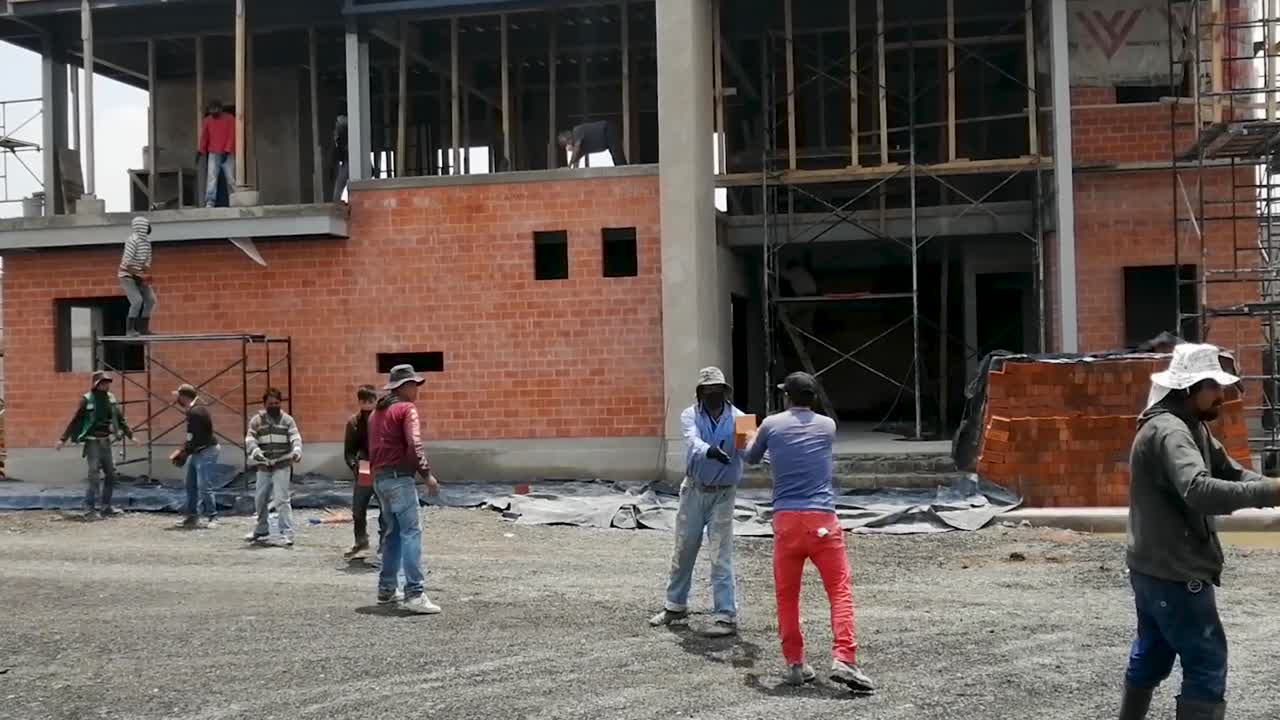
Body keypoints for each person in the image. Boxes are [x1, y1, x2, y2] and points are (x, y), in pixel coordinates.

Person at [1119, 343, 1280, 720]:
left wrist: (1270, 490)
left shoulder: (1191, 426)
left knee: (1153, 653)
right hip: (1175, 571)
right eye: (1214, 387)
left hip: (1152, 565)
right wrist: (1272, 491)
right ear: (1189, 388)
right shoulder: (1171, 432)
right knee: (1206, 663)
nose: (1222, 396)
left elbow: (1231, 473)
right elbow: (1200, 490)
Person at [742, 371, 874, 692]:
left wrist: (743, 429)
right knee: (838, 591)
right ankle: (844, 657)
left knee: (787, 597)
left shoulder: (771, 425)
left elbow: (751, 457)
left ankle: (795, 664)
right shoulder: (827, 426)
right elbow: (801, 451)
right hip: (822, 521)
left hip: (786, 521)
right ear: (813, 398)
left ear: (786, 396)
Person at [648, 367, 745, 637]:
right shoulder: (690, 414)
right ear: (700, 392)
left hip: (724, 493)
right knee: (684, 548)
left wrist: (768, 450)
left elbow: (751, 451)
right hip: (694, 489)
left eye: (717, 389)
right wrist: (710, 451)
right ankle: (675, 605)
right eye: (707, 390)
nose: (712, 394)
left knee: (720, 554)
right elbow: (692, 442)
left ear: (726, 391)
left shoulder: (741, 418)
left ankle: (725, 615)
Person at [367, 365, 441, 614]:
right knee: (411, 533)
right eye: (414, 385)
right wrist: (427, 475)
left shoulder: (375, 414)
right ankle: (415, 593)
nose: (417, 390)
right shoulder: (406, 409)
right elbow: (414, 443)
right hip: (400, 478)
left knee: (393, 535)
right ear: (405, 387)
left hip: (380, 479)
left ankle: (386, 589)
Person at [56, 370, 133, 518]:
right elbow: (76, 420)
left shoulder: (111, 399)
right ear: (96, 384)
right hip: (93, 443)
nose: (106, 385)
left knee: (111, 474)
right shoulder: (87, 399)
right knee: (94, 476)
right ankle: (89, 509)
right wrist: (63, 439)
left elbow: (120, 419)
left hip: (106, 442)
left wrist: (130, 435)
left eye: (107, 383)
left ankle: (106, 506)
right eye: (103, 383)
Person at [243, 388, 303, 547]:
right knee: (260, 498)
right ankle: (261, 529)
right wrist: (255, 452)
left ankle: (286, 533)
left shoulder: (287, 420)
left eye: (277, 403)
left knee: (281, 499)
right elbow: (250, 438)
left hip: (282, 464)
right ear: (264, 404)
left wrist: (297, 451)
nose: (274, 406)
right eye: (270, 403)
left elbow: (295, 437)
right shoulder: (257, 420)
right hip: (263, 465)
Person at [344, 384, 385, 559]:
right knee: (359, 508)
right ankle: (361, 540)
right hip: (365, 467)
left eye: (371, 401)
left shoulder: (384, 419)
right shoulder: (354, 423)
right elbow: (349, 450)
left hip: (382, 466)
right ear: (359, 402)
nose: (368, 405)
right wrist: (354, 466)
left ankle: (385, 544)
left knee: (386, 508)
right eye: (365, 401)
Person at [173, 383, 220, 529]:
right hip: (199, 451)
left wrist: (184, 452)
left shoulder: (196, 412)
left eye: (178, 396)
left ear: (184, 396)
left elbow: (197, 437)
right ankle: (192, 516)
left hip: (206, 450)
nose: (177, 400)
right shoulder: (194, 409)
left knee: (204, 485)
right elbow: (191, 437)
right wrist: (184, 450)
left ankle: (213, 517)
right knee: (191, 484)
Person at [118, 217, 156, 336]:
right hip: (127, 275)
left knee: (150, 300)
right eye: (147, 225)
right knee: (137, 301)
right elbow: (126, 263)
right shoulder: (132, 241)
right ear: (142, 227)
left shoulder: (147, 243)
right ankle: (129, 330)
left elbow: (147, 261)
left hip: (139, 274)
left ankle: (143, 328)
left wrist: (145, 274)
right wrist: (137, 275)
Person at [197, 99, 236, 208]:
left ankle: (235, 199)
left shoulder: (230, 118)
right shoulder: (207, 120)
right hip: (213, 152)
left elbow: (232, 135)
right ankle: (210, 201)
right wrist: (200, 150)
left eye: (215, 109)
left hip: (227, 153)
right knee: (212, 178)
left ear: (220, 109)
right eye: (211, 110)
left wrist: (227, 150)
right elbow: (204, 137)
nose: (213, 112)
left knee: (230, 177)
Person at [558, 120, 627, 168]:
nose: (568, 142)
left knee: (618, 158)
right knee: (617, 159)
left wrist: (569, 165)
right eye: (566, 143)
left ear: (568, 133)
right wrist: (570, 170)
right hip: (606, 141)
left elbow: (576, 149)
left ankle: (626, 173)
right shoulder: (581, 149)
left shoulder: (577, 131)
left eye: (567, 139)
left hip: (607, 130)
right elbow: (576, 160)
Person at [332, 107, 349, 202]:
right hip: (346, 160)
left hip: (349, 161)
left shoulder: (343, 128)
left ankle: (336, 204)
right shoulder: (345, 127)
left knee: (339, 185)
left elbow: (340, 149)